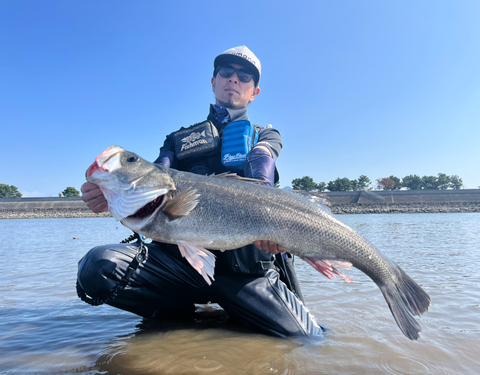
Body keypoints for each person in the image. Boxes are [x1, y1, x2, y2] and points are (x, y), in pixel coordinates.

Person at [78, 46, 323, 337]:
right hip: (178, 267)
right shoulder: (177, 139)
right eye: (225, 72)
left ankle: (231, 313)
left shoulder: (266, 135)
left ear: (254, 91)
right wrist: (110, 192)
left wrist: (272, 222)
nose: (234, 79)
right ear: (213, 81)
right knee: (98, 267)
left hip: (245, 273)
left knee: (307, 338)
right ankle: (173, 313)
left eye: (244, 76)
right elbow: (156, 176)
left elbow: (263, 161)